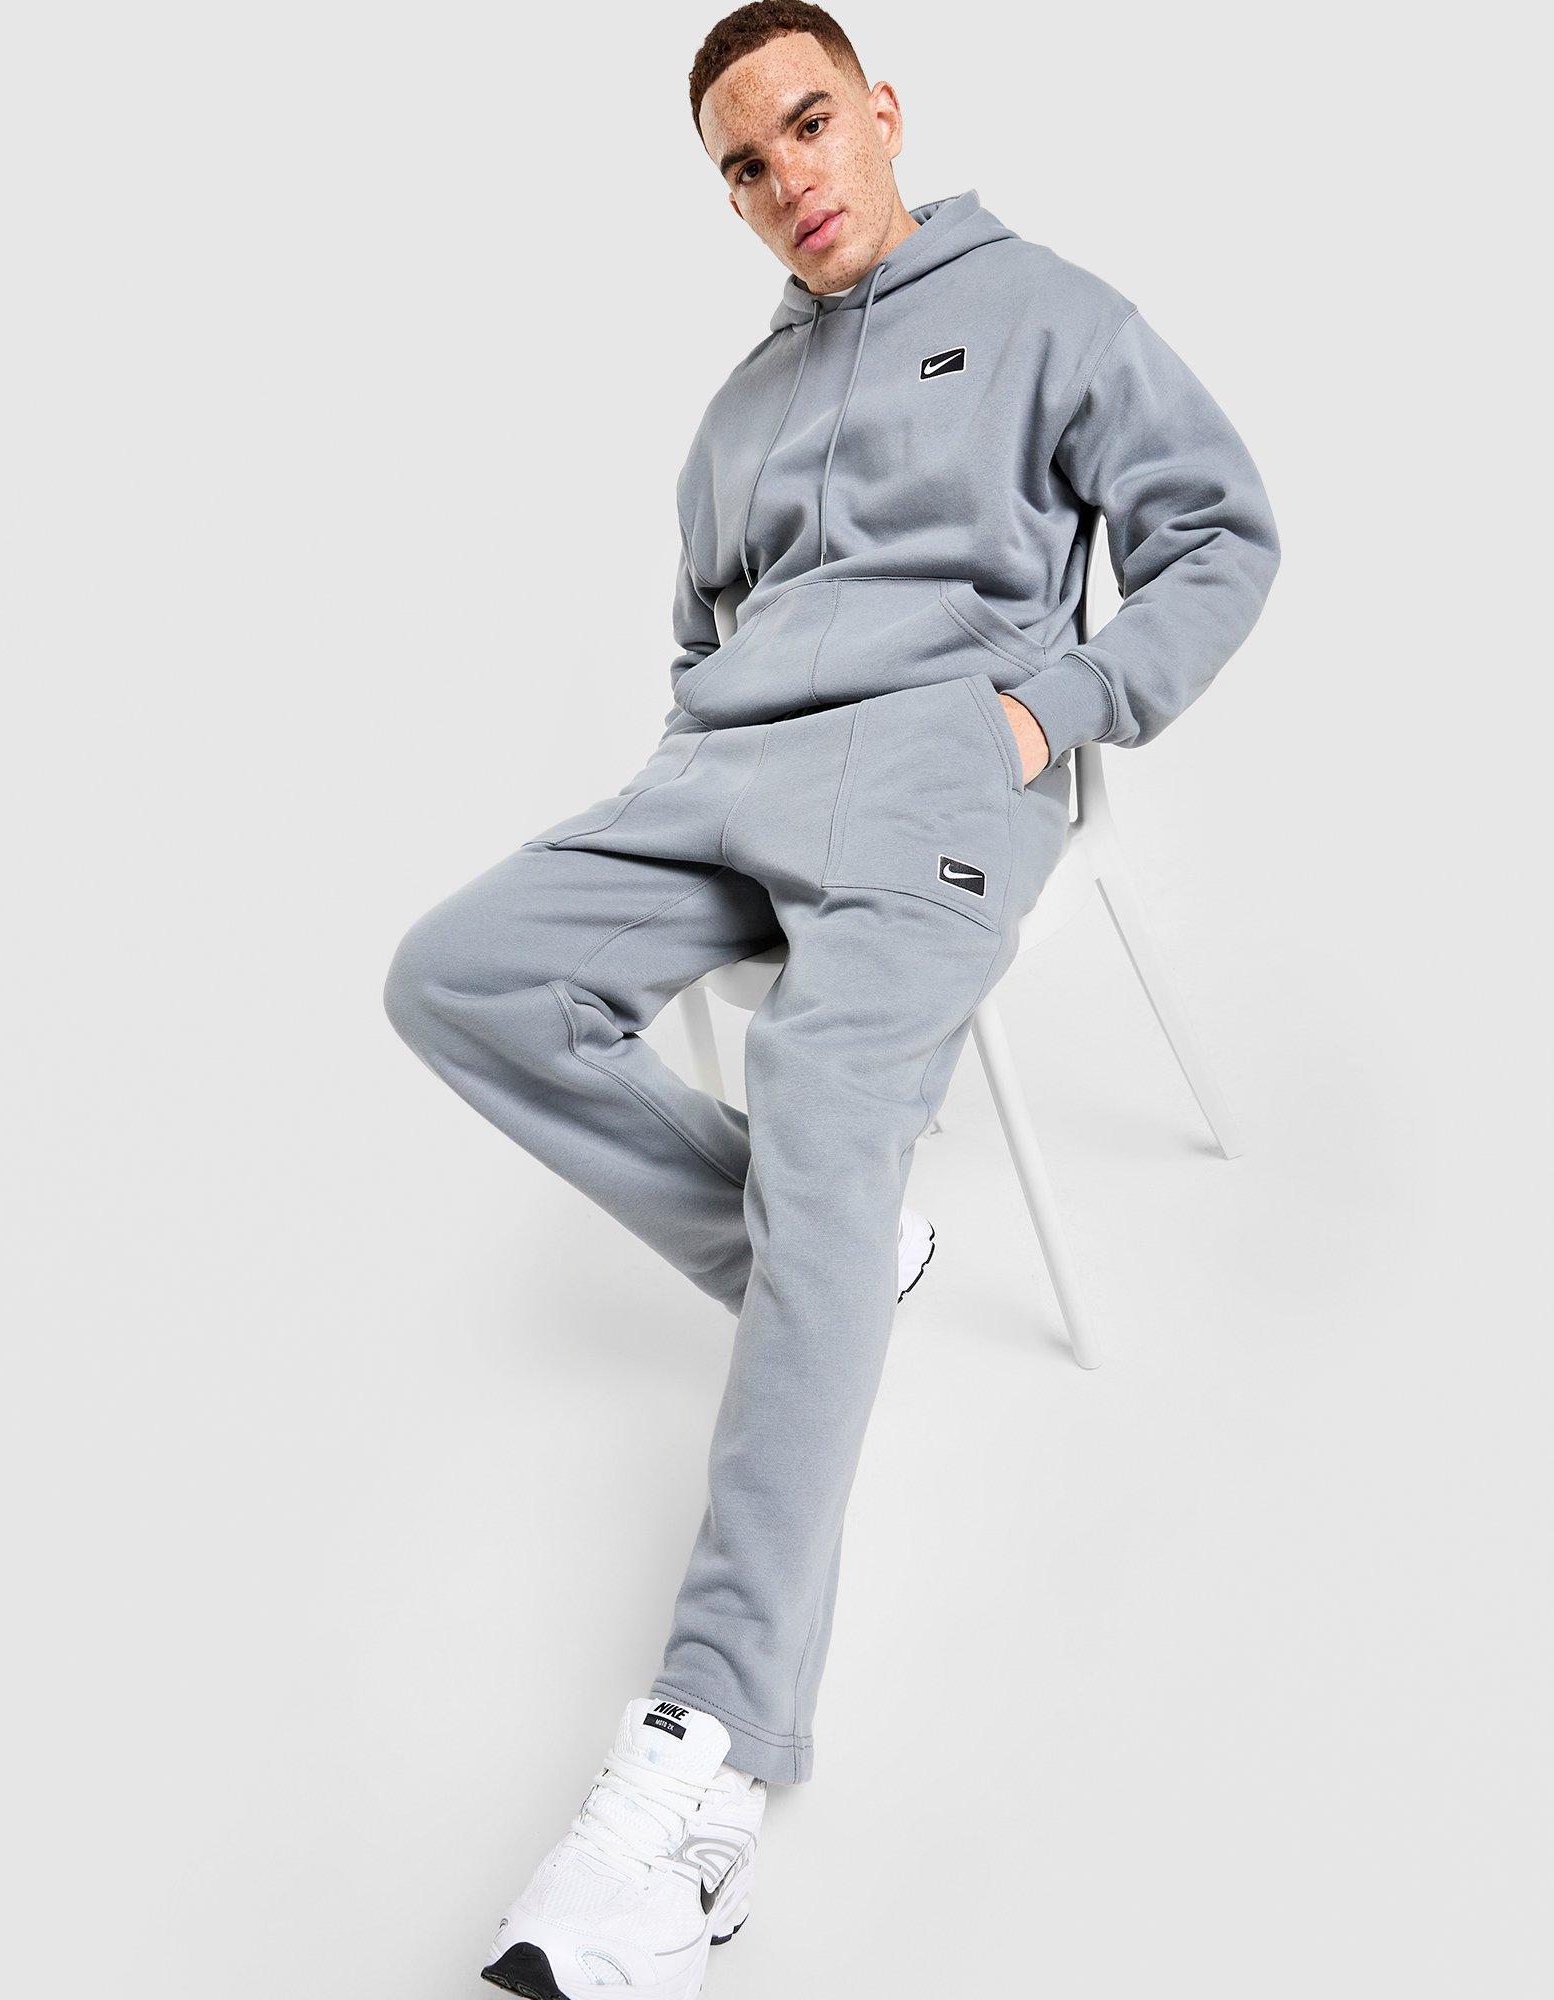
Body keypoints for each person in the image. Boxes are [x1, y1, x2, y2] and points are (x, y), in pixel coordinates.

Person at [383, 4, 1280, 1992]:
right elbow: (700, 629)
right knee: (456, 974)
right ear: (723, 197)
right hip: (717, 779)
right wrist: (691, 760)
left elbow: (1220, 532)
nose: (787, 177)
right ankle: (826, 1249)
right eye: (743, 163)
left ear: (879, 111)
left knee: (818, 1106)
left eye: (807, 124)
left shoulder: (1048, 310)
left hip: (942, 772)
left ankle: (691, 1783)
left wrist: (1058, 703)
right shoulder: (733, 415)